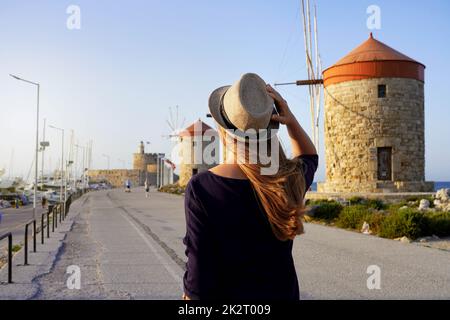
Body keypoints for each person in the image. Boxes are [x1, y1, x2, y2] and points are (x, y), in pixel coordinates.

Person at [182, 73, 318, 300]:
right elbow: (309, 156)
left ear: (223, 132)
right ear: (270, 127)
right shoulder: (287, 180)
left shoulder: (202, 188)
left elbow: (199, 275)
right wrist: (291, 119)